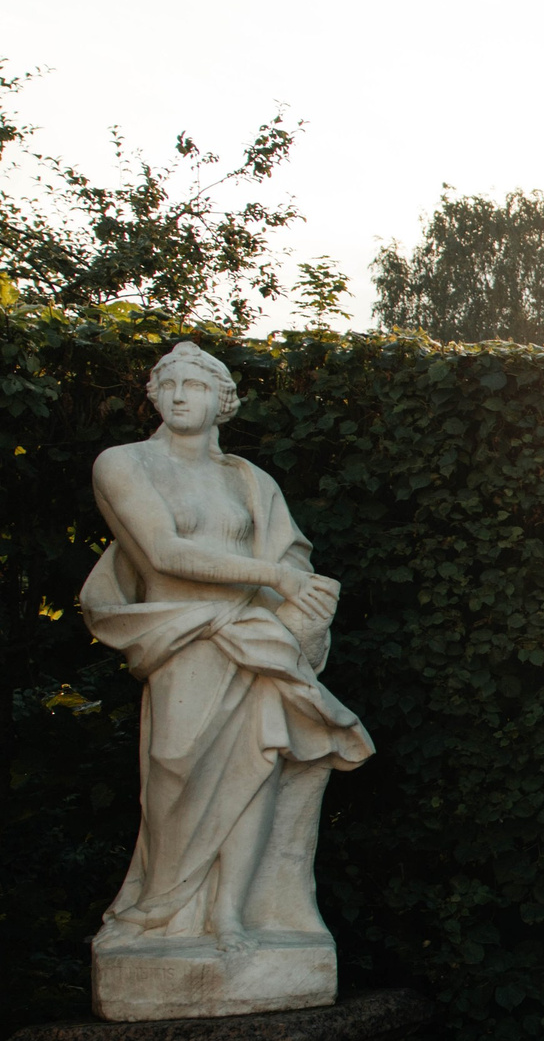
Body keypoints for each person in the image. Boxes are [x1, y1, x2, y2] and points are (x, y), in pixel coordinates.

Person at [84, 342, 374, 961]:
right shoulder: (124, 463)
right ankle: (162, 909)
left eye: (197, 385)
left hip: (253, 637)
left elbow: (292, 561)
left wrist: (305, 601)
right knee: (173, 767)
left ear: (223, 402)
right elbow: (162, 553)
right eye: (168, 384)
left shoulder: (250, 480)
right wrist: (273, 576)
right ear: (155, 396)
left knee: (259, 764)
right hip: (183, 636)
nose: (181, 394)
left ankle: (230, 916)